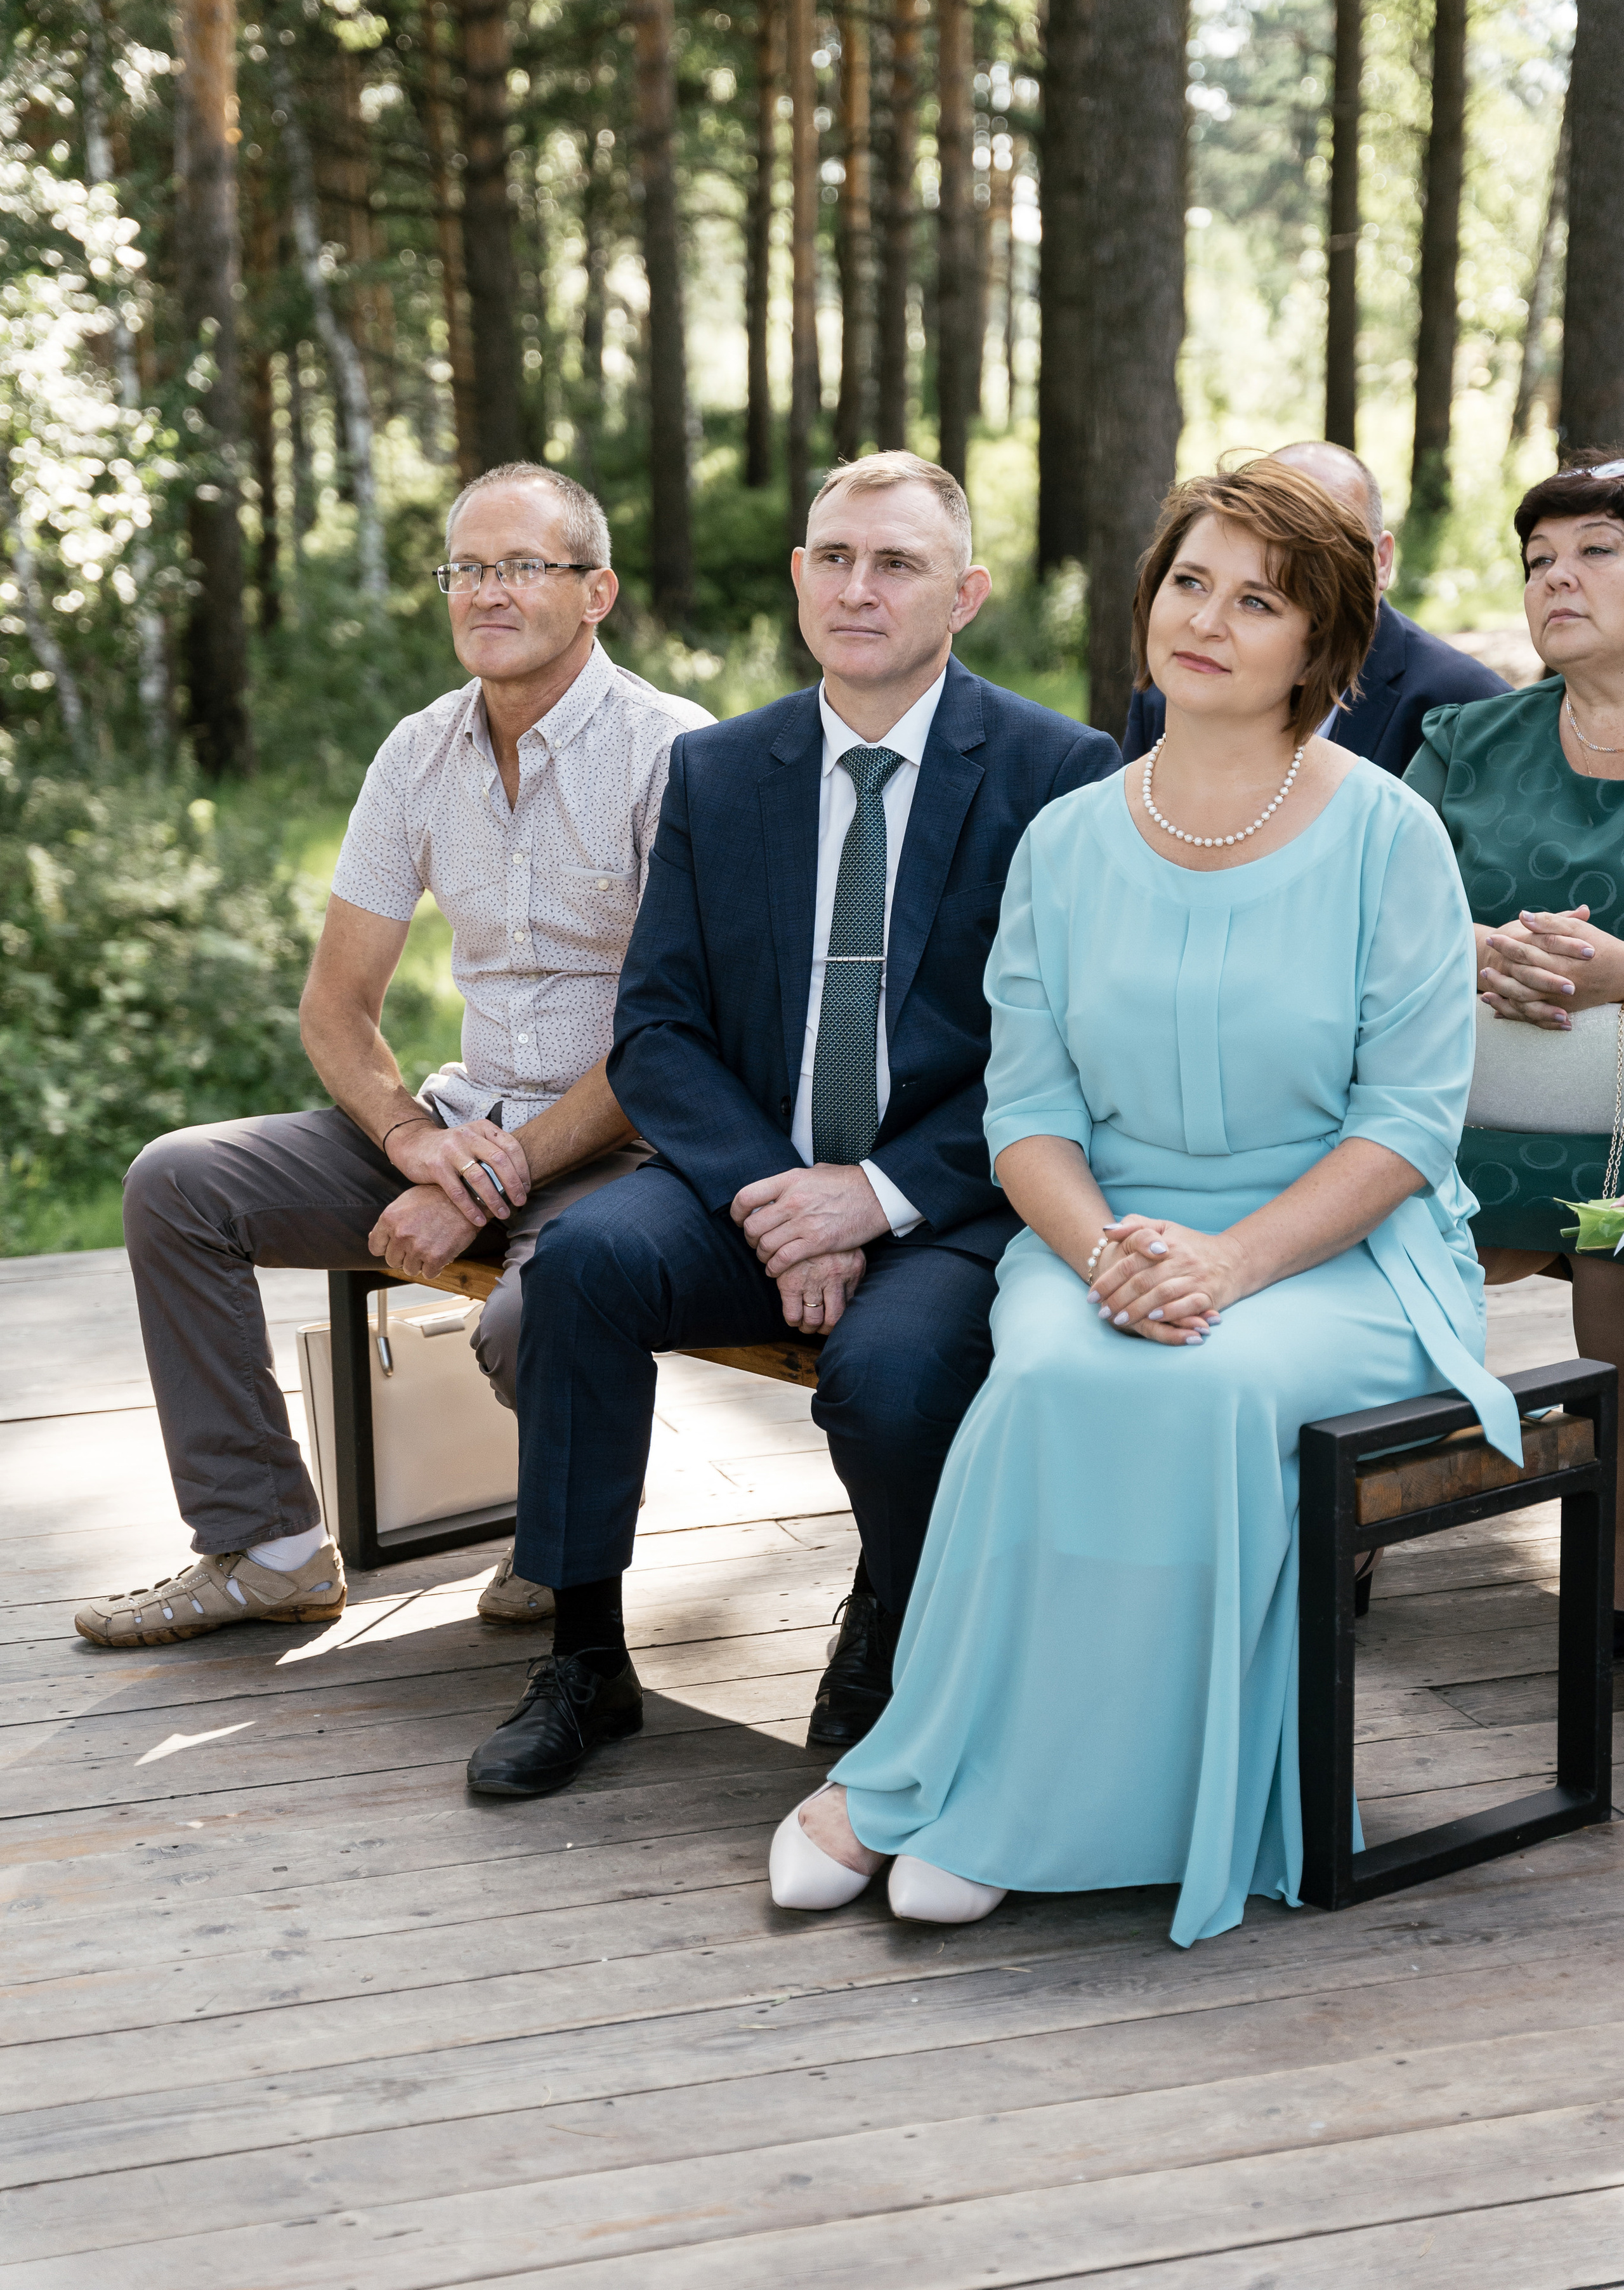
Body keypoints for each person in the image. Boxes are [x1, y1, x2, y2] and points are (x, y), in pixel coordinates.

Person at [766, 456, 1520, 1944]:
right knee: (1046, 1365)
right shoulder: (1066, 839)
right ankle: (934, 1766)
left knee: (1203, 1382)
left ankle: (986, 1803)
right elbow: (1027, 1115)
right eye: (1188, 582)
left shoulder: (1389, 838)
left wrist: (1226, 1263)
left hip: (1343, 1253)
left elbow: (1404, 1130)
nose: (1209, 621)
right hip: (1096, 1231)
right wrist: (1110, 1250)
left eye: (1259, 600)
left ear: (1321, 644)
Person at [463, 451, 1120, 1799]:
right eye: (832, 558)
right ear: (797, 578)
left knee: (884, 1379)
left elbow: (1071, 1052)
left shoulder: (1058, 772)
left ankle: (893, 1619)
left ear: (965, 595)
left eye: (895, 564)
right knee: (581, 1268)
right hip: (750, 1179)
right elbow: (655, 1028)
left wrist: (867, 1198)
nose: (857, 588)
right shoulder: (717, 771)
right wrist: (777, 1194)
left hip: (954, 1197)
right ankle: (586, 1653)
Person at [75, 464, 710, 1649]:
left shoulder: (676, 755)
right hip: (462, 1125)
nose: (486, 592)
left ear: (598, 592)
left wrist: (499, 1172)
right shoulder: (419, 753)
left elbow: (676, 1036)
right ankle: (267, 1548)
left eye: (524, 565)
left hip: (626, 1152)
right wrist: (418, 1142)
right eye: (466, 568)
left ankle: (566, 1542)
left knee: (533, 1322)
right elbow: (336, 1005)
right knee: (179, 1182)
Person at [1403, 448, 1624, 1657]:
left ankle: (1621, 1603)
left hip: (1623, 1159)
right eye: (1540, 558)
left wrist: (1621, 976)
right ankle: (1338, 1528)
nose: (1559, 578)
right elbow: (1366, 909)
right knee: (1351, 1222)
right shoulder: (1466, 741)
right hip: (1449, 1131)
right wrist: (1472, 943)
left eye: (1597, 550)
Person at [1122, 440, 1505, 768]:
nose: (1205, 625)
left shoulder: (1470, 707)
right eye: (1190, 582)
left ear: (1381, 560)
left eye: (1332, 538)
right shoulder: (1180, 678)